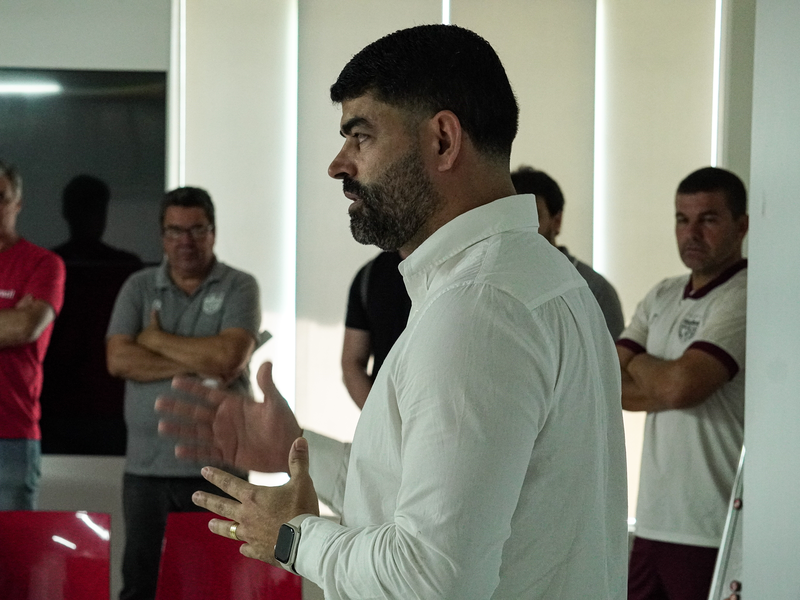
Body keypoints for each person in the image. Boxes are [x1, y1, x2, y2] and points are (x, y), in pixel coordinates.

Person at [157, 25, 627, 599]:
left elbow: (432, 577)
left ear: (443, 141)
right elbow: (431, 496)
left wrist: (291, 538)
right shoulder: (533, 278)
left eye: (361, 136)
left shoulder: (478, 308)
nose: (338, 164)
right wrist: (298, 450)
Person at [106, 186, 261, 600]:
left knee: (215, 584)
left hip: (219, 469)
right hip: (146, 469)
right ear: (161, 236)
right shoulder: (138, 287)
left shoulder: (239, 286)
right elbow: (119, 360)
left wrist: (154, 338)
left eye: (196, 230)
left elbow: (229, 357)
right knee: (141, 585)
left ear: (213, 232)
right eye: (175, 231)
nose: (186, 242)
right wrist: (199, 361)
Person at [617, 166, 748, 600]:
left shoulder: (748, 294)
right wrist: (667, 373)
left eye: (708, 219)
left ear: (741, 225)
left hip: (710, 526)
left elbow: (681, 388)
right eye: (681, 219)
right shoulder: (661, 294)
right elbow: (610, 383)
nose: (691, 232)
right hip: (652, 520)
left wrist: (641, 360)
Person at [42, 174, 143, 455]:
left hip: (111, 404)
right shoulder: (47, 267)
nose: (90, 216)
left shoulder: (127, 269)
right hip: (57, 404)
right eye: (83, 207)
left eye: (95, 208)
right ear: (67, 211)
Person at [0, 160, 66, 510]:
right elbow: (13, 325)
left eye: (0, 197)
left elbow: (27, 327)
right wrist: (9, 318)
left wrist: (19, 321)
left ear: (17, 203)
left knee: (12, 558)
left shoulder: (43, 264)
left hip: (11, 435)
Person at [511, 165, 625, 338]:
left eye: (532, 217)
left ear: (557, 221)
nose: (520, 227)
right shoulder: (496, 282)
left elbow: (614, 362)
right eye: (513, 217)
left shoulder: (595, 290)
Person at [341, 249, 411, 408]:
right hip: (387, 412)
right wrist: (381, 419)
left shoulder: (457, 268)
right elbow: (352, 363)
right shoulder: (369, 275)